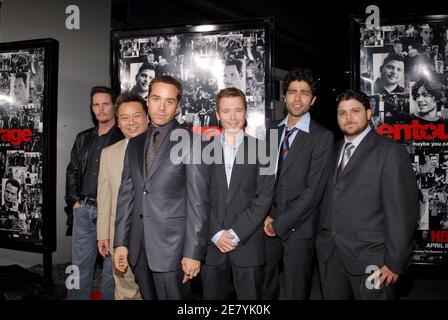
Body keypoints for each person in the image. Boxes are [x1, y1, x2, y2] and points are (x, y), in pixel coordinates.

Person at [113, 75, 210, 300]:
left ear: (177, 106)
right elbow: (126, 196)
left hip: (174, 251)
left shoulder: (192, 142)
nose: (162, 107)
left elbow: (198, 202)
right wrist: (121, 242)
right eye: (156, 99)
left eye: (169, 101)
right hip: (139, 249)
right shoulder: (135, 143)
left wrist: (193, 253)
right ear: (148, 100)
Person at [316, 89, 418, 300]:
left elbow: (402, 211)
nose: (348, 117)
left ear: (369, 113)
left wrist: (395, 262)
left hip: (373, 260)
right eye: (342, 113)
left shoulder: (390, 152)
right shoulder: (333, 150)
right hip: (331, 256)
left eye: (355, 110)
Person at [262, 68, 334, 299]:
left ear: (312, 100)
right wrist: (264, 215)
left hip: (299, 227)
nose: (297, 97)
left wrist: (280, 223)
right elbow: (262, 178)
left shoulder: (322, 137)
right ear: (284, 97)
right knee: (263, 287)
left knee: (295, 291)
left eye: (304, 93)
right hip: (265, 222)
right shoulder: (272, 131)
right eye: (292, 92)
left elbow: (313, 191)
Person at [201, 88, 275, 300]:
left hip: (248, 246)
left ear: (246, 113)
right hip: (211, 247)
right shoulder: (202, 150)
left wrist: (234, 234)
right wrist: (216, 233)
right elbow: (199, 198)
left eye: (238, 110)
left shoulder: (264, 150)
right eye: (226, 111)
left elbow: (264, 197)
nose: (232, 117)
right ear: (217, 114)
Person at [65, 86, 124, 300]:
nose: (100, 109)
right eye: (96, 104)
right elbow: (72, 170)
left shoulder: (123, 137)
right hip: (84, 209)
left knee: (112, 269)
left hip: (112, 212)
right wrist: (74, 202)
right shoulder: (83, 138)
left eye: (105, 104)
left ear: (114, 106)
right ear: (92, 108)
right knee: (78, 266)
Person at [96, 92, 149, 300]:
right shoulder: (109, 153)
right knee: (126, 291)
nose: (132, 123)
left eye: (137, 116)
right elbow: (105, 196)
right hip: (121, 238)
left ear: (147, 117)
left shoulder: (162, 150)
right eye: (125, 118)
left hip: (154, 240)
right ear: (118, 123)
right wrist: (103, 234)